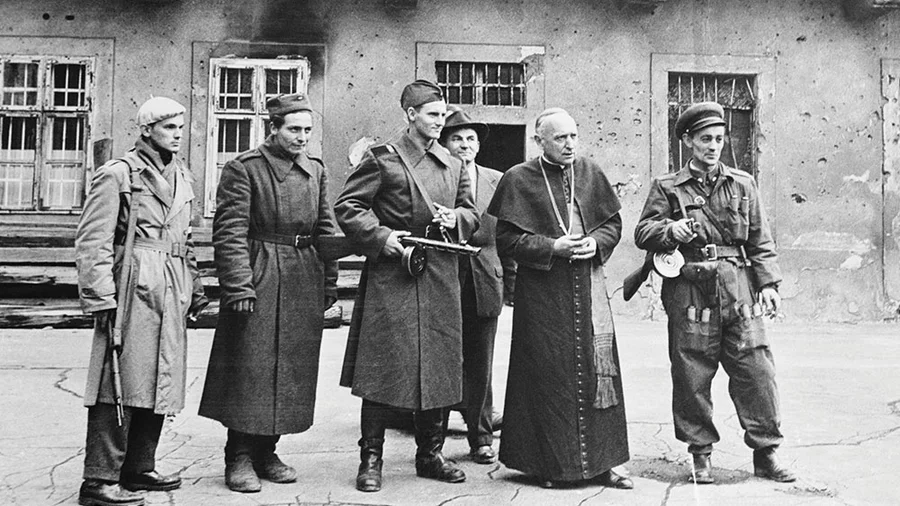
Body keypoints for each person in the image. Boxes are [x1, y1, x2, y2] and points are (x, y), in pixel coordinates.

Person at [633, 102, 795, 484]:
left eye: (719, 139)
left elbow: (760, 239)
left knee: (756, 371)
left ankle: (766, 452)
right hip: (691, 288)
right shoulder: (667, 187)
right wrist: (671, 231)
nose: (713, 146)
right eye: (705, 139)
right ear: (688, 141)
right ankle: (700, 453)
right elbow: (643, 233)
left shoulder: (743, 183)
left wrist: (768, 284)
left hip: (738, 287)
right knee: (692, 371)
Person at [334, 79, 479, 492]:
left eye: (443, 114)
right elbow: (348, 206)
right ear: (411, 115)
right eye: (432, 114)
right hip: (393, 271)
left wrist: (458, 219)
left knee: (440, 365)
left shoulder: (453, 164)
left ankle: (430, 454)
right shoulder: (382, 159)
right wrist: (382, 239)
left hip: (440, 274)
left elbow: (471, 212)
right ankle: (371, 460)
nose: (440, 121)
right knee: (382, 366)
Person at [198, 93, 339, 493]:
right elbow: (229, 232)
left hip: (302, 274)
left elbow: (325, 228)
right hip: (260, 270)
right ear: (272, 128)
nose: (301, 138)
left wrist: (329, 280)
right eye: (294, 129)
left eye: (308, 130)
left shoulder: (316, 169)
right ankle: (238, 455)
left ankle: (267, 450)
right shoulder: (245, 168)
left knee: (290, 367)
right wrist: (238, 285)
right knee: (251, 366)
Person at [487, 108, 632, 490]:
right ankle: (550, 466)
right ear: (540, 142)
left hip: (588, 285)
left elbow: (612, 224)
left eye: (573, 136)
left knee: (599, 372)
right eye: (560, 139)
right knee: (548, 376)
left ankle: (605, 463)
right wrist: (553, 246)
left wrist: (595, 243)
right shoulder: (518, 179)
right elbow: (506, 240)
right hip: (543, 294)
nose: (570, 145)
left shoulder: (590, 172)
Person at [74, 97, 208, 506]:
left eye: (181, 128)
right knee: (117, 381)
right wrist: (100, 296)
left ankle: (138, 467)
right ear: (147, 129)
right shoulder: (118, 174)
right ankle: (98, 480)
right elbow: (92, 239)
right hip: (132, 283)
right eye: (170, 127)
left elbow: (183, 240)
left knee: (160, 379)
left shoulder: (181, 175)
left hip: (172, 282)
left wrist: (195, 286)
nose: (178, 134)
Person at [438, 106, 503, 464]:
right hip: (443, 277)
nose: (465, 145)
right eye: (457, 138)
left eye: (471, 139)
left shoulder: (497, 179)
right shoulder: (435, 178)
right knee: (443, 358)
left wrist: (506, 278)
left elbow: (506, 232)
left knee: (481, 361)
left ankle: (480, 438)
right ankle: (432, 441)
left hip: (484, 277)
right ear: (444, 144)